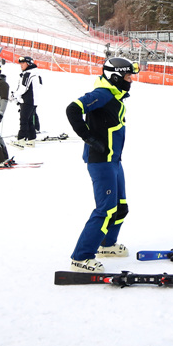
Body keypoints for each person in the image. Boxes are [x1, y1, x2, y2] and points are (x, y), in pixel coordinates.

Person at [65, 57, 139, 272]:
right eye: (127, 76)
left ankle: (106, 244)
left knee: (121, 206)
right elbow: (73, 109)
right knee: (106, 209)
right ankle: (81, 257)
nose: (131, 80)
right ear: (115, 77)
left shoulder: (114, 94)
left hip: (114, 160)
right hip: (101, 162)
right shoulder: (103, 94)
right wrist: (88, 138)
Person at [13, 56, 42, 147]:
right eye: (20, 63)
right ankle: (31, 140)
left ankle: (21, 139)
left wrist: (15, 95)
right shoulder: (36, 73)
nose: (21, 65)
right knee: (29, 120)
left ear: (28, 64)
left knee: (24, 120)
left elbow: (23, 88)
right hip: (34, 101)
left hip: (27, 100)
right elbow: (40, 85)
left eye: (23, 63)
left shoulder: (28, 73)